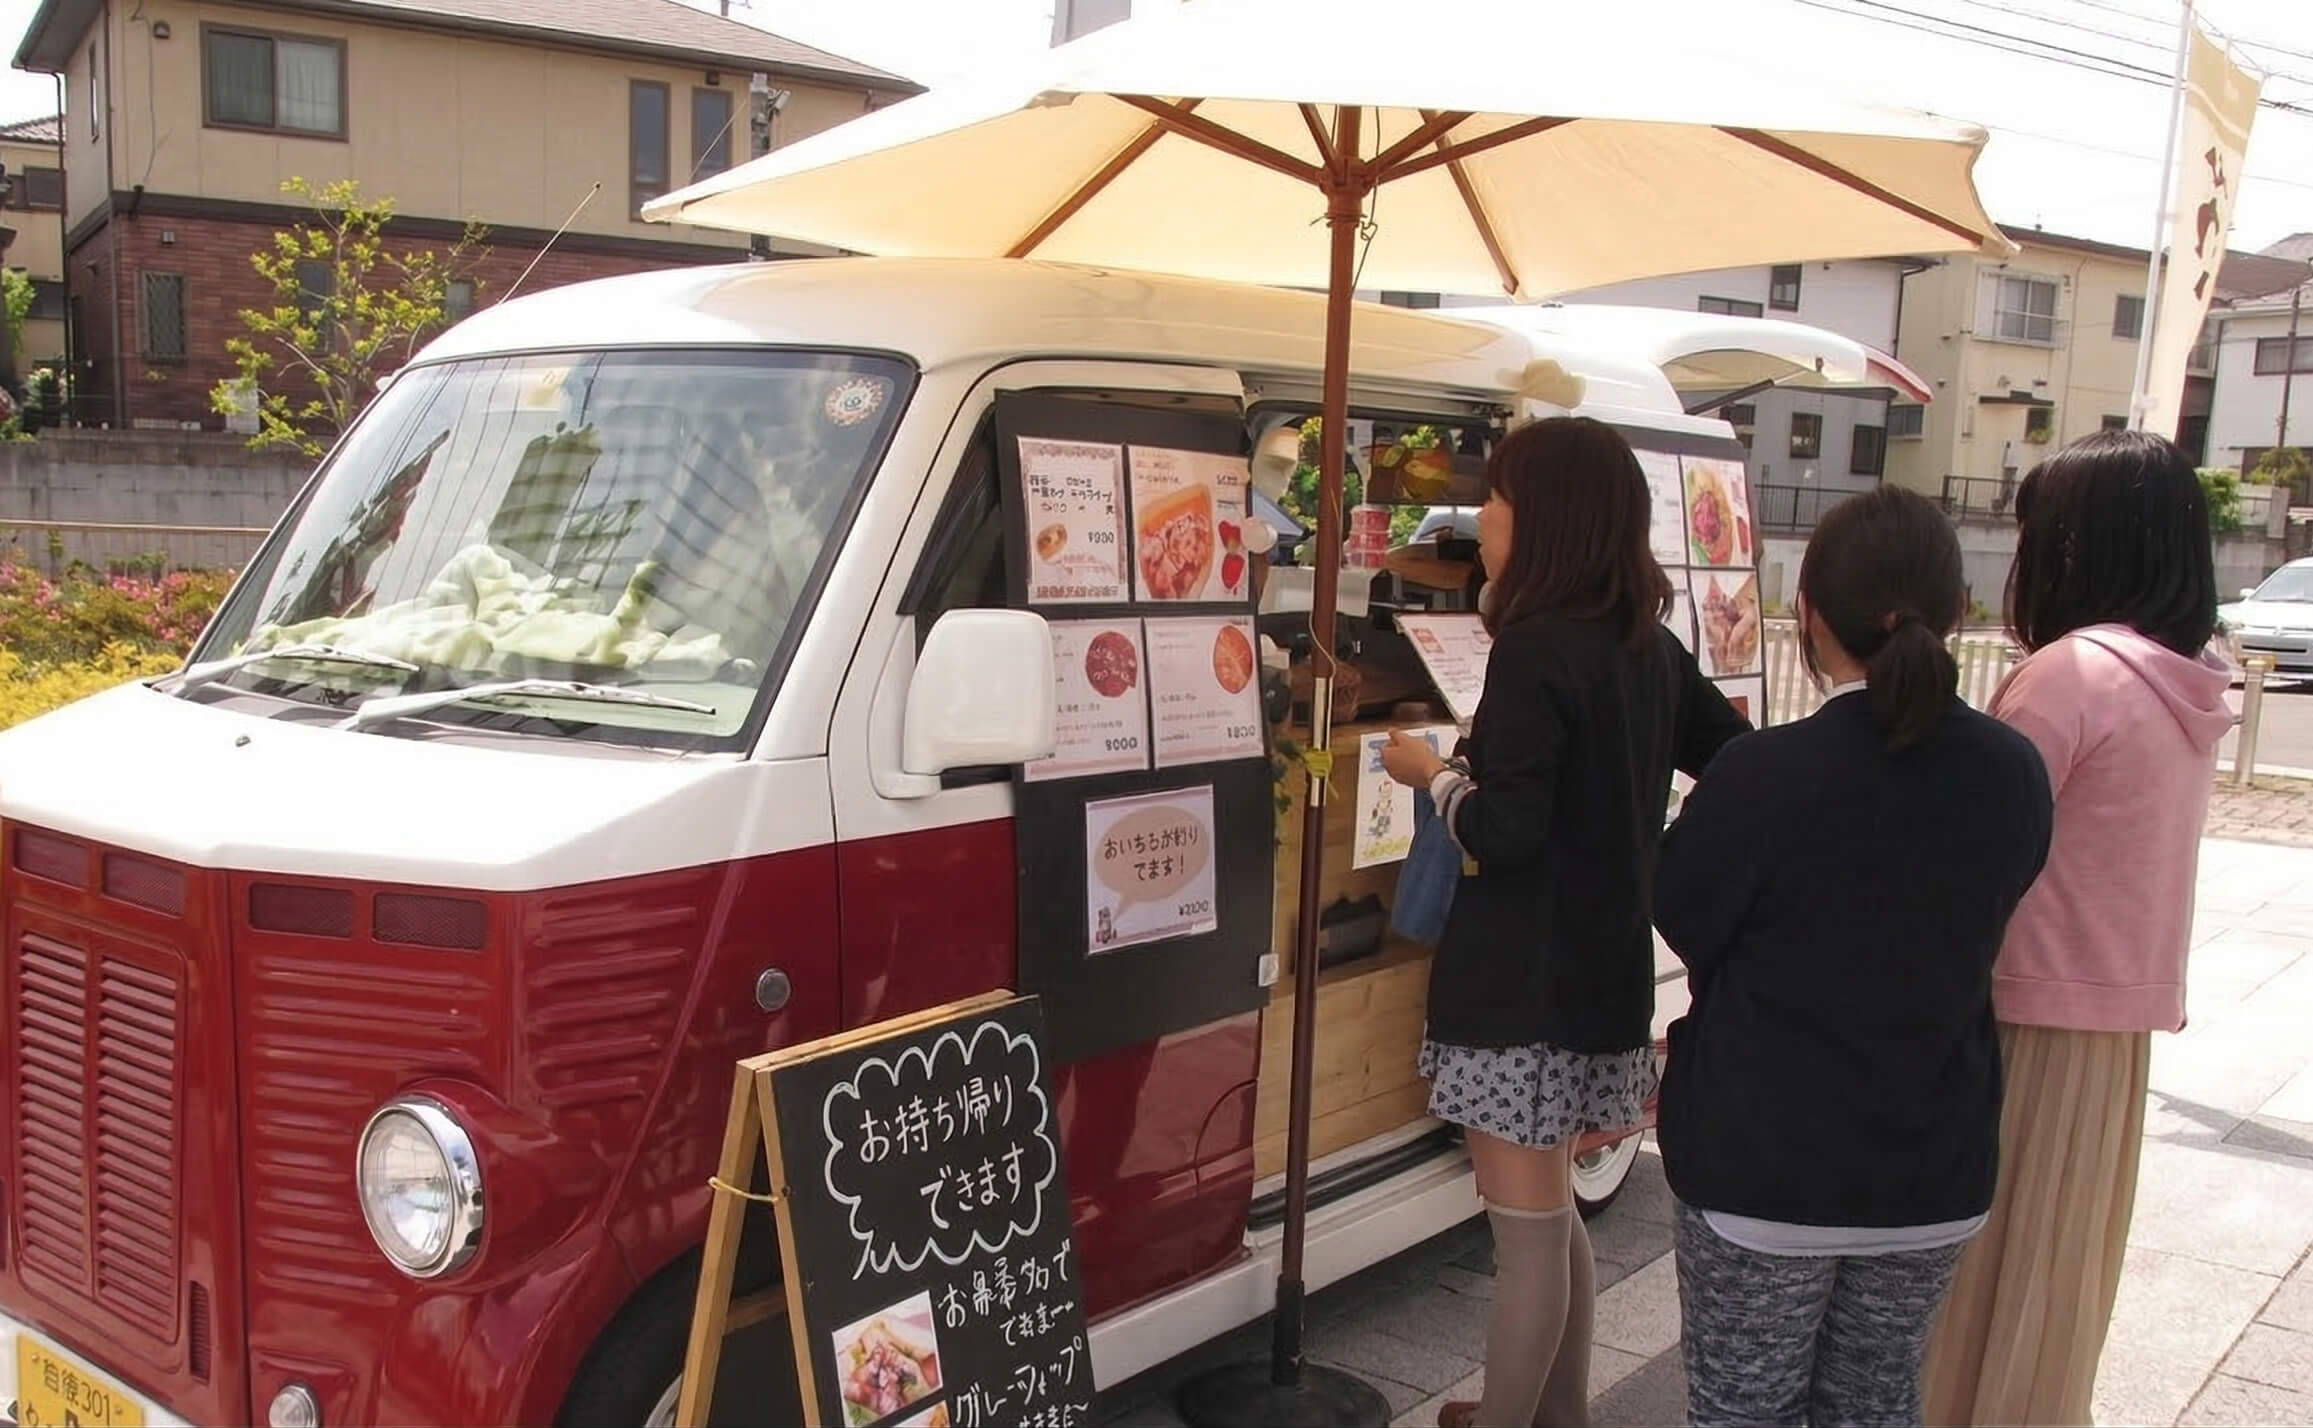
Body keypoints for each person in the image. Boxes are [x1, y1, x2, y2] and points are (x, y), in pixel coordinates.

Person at [1651, 486, 2054, 1427]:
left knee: (1744, 1410)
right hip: (1931, 1160)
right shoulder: (2011, 770)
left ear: (1809, 614)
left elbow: (1681, 911)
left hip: (1762, 1162)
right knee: (1875, 1405)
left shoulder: (1762, 773)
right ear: (1957, 610)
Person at [1378, 416, 1748, 1428]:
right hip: (1601, 977)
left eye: (1496, 499)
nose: (1482, 519)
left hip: (1516, 987)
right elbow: (1739, 758)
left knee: (1528, 1235)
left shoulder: (1536, 648)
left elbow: (1505, 833)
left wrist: (1431, 773)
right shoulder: (1649, 647)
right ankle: (1560, 1417)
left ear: (1543, 520)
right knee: (1552, 1217)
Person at [1922, 430, 2232, 1426]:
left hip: (2021, 1019)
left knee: (1978, 1285)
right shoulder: (2185, 675)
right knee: (2051, 1289)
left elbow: (1966, 854)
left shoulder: (2070, 676)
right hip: (2112, 1031)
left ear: (2075, 546)